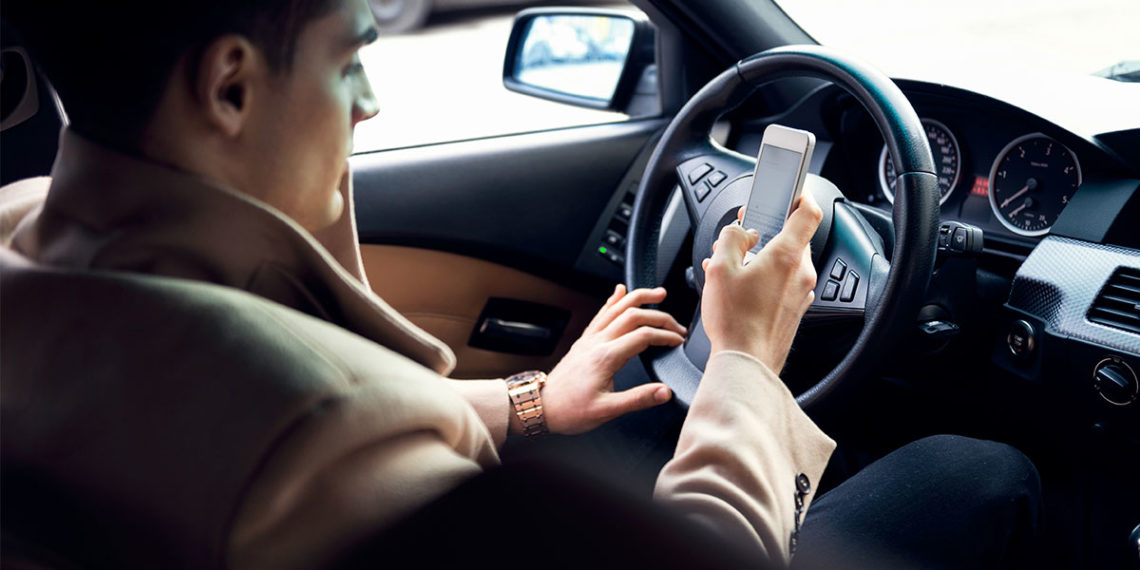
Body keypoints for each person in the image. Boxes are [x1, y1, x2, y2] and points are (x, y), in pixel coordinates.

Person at [0, 0, 1041, 568]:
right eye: (351, 56)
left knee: (622, 429)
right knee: (976, 472)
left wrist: (532, 399)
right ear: (230, 86)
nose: (367, 104)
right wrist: (744, 364)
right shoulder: (309, 442)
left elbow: (245, 383)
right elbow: (314, 414)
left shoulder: (23, 239)